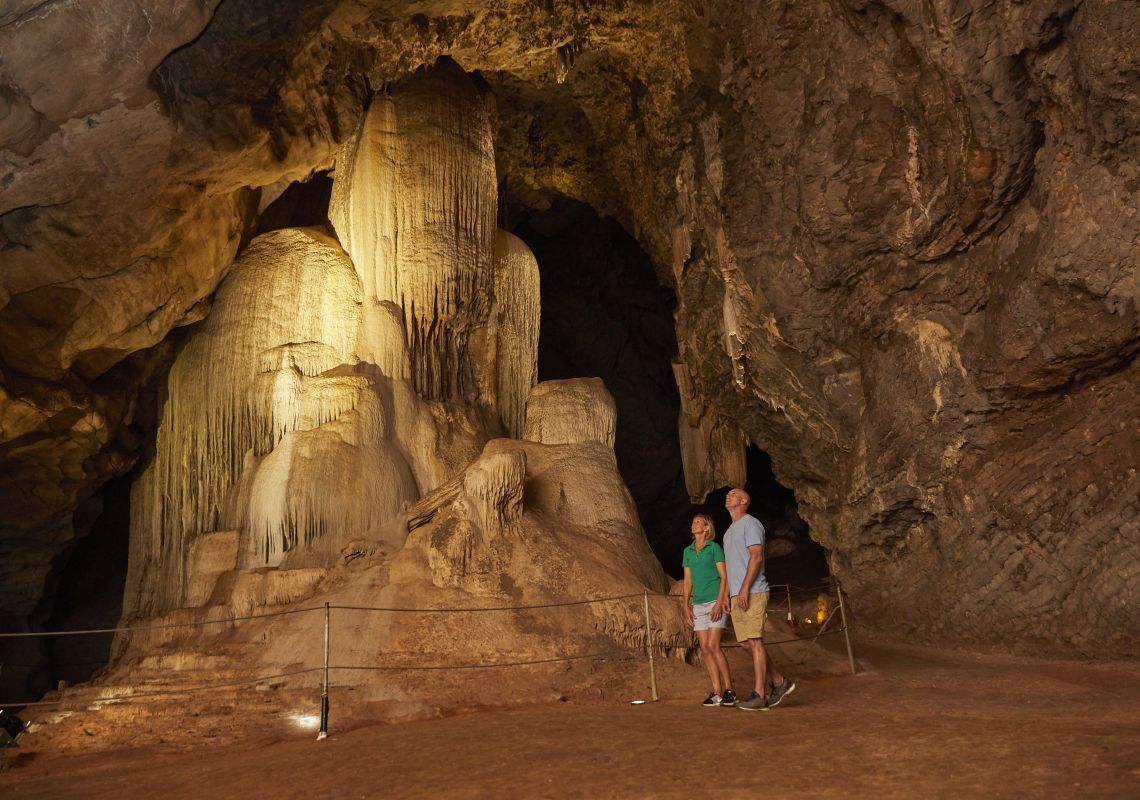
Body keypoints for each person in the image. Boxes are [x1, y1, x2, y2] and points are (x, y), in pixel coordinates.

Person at [723, 488, 796, 711]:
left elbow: (756, 556)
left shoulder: (750, 523)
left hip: (753, 591)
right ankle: (779, 681)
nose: (728, 495)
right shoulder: (728, 532)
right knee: (746, 643)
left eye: (734, 493)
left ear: (744, 500)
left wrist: (744, 589)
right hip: (737, 594)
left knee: (755, 641)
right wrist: (728, 594)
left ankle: (759, 694)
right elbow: (730, 567)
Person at [681, 513, 737, 707]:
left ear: (706, 528)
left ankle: (729, 690)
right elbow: (688, 581)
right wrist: (685, 605)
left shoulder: (714, 548)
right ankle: (716, 692)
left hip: (714, 600)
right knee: (705, 649)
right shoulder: (687, 551)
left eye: (698, 522)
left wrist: (719, 602)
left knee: (714, 646)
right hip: (698, 604)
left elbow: (724, 577)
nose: (694, 524)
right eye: (693, 521)